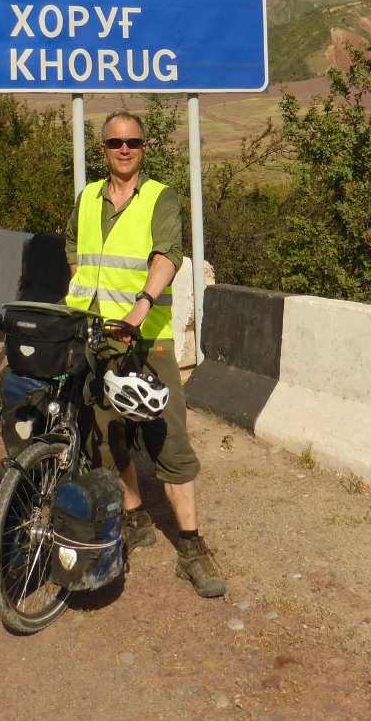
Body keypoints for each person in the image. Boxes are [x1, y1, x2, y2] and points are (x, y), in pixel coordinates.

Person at [65, 110, 226, 598]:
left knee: (168, 437)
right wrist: (82, 293)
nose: (124, 149)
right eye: (116, 142)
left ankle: (192, 547)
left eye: (133, 142)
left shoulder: (159, 196)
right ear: (103, 149)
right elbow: (73, 248)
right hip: (97, 336)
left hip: (146, 338)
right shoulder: (88, 198)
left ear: (144, 148)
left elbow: (168, 255)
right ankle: (135, 518)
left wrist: (140, 306)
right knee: (104, 435)